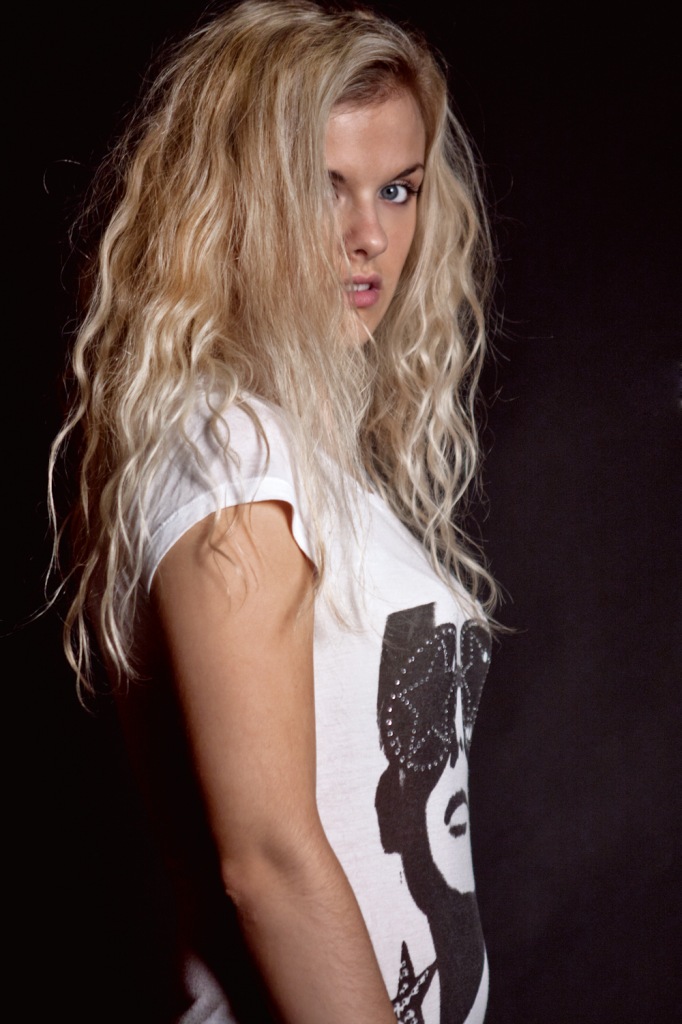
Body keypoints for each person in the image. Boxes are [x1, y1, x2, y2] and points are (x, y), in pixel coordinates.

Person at [49, 2, 498, 1021]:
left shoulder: (286, 448)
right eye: (323, 186)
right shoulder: (230, 446)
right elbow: (268, 859)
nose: (369, 235)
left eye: (396, 188)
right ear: (237, 201)